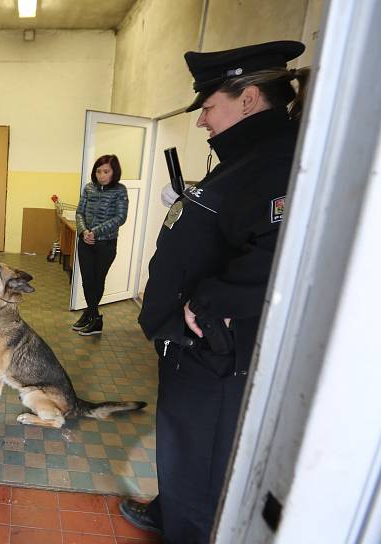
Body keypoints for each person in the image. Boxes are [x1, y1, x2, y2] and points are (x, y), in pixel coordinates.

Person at [120, 41, 309, 542]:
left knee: (201, 468)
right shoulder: (244, 160)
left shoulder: (277, 161)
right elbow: (230, 230)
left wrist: (205, 306)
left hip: (215, 352)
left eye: (208, 107)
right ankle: (170, 509)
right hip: (191, 350)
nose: (202, 121)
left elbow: (280, 254)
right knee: (185, 454)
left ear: (248, 98)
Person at [72, 154, 129, 335]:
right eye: (98, 171)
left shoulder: (120, 190)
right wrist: (83, 232)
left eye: (106, 171)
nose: (101, 175)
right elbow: (79, 212)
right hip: (85, 241)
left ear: (114, 173)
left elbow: (120, 217)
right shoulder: (89, 188)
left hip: (106, 244)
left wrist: (94, 232)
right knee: (87, 280)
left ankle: (93, 317)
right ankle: (92, 315)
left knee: (97, 280)